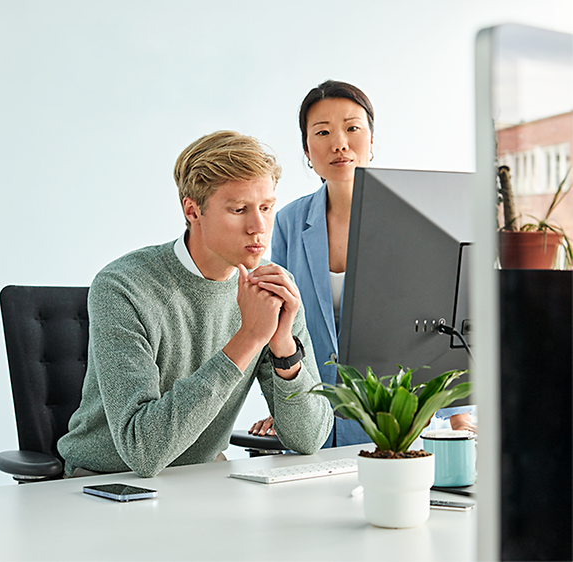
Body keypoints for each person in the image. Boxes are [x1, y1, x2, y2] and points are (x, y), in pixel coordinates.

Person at [57, 130, 332, 478]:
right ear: (192, 210)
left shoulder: (272, 288)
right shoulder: (123, 286)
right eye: (238, 209)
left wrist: (282, 347)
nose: (258, 227)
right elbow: (142, 450)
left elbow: (309, 439)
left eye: (266, 207)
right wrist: (248, 338)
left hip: (202, 481)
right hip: (106, 483)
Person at [250, 80, 475, 445]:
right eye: (322, 132)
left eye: (352, 128)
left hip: (392, 418)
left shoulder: (414, 219)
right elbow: (278, 323)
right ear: (307, 149)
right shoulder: (289, 221)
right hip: (316, 421)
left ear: (371, 140)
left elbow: (442, 321)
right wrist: (286, 408)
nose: (339, 143)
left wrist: (457, 414)